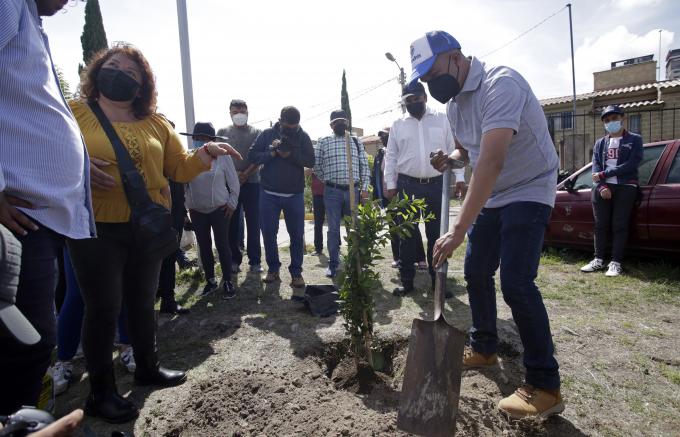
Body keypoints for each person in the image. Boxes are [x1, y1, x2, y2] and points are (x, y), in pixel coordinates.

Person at [66, 44, 241, 423]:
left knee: (143, 302)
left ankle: (147, 367)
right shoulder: (73, 113)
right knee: (103, 307)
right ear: (97, 73)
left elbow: (178, 168)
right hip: (95, 226)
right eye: (114, 67)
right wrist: (75, 164)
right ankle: (102, 392)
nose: (122, 75)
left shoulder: (155, 122)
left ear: (142, 84)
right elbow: (46, 154)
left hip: (147, 226)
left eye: (132, 73)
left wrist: (206, 152)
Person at [414, 30, 563, 418]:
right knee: (477, 272)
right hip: (495, 193)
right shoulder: (455, 106)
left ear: (455, 56)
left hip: (530, 185)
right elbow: (469, 149)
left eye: (433, 73)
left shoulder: (502, 83)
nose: (431, 84)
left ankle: (545, 385)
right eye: (425, 79)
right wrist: (450, 157)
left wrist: (458, 229)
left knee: (516, 281)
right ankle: (484, 347)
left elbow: (492, 160)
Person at [0, 0, 97, 415]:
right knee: (23, 346)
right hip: (19, 220)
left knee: (35, 340)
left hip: (40, 217)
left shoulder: (28, 18)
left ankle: (33, 421)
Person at [384, 82, 455, 296]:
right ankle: (407, 283)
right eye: (409, 100)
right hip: (407, 185)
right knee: (407, 236)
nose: (414, 103)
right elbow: (392, 156)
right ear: (404, 102)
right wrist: (390, 184)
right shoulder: (398, 124)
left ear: (425, 96)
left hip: (436, 185)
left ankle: (438, 283)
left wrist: (459, 178)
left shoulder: (442, 119)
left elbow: (452, 150)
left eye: (417, 98)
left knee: (436, 236)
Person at [51, 249, 135, 396]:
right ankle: (63, 361)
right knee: (76, 294)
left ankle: (127, 346)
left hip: (115, 229)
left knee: (120, 284)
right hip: (78, 233)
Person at [248, 106, 315, 288]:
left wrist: (290, 154)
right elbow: (252, 155)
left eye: (295, 127)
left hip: (295, 194)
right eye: (288, 126)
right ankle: (273, 269)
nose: (292, 129)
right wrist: (272, 153)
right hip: (268, 194)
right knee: (269, 233)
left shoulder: (303, 135)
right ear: (280, 120)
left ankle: (296, 273)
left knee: (297, 235)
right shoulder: (267, 134)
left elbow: (311, 161)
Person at [580, 105, 642, 277]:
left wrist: (604, 174)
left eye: (614, 118)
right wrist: (602, 185)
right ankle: (598, 260)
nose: (611, 122)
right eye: (607, 120)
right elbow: (596, 168)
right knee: (600, 225)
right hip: (602, 189)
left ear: (623, 118)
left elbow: (631, 165)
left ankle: (615, 263)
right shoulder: (600, 143)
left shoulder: (635, 140)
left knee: (619, 225)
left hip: (625, 187)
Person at [183, 122, 240, 299]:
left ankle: (228, 281)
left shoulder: (223, 158)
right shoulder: (188, 157)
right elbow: (184, 185)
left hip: (220, 209)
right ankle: (210, 280)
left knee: (222, 244)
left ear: (212, 141)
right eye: (197, 138)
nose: (200, 142)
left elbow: (234, 183)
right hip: (197, 210)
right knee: (204, 245)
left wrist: (232, 203)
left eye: (204, 139)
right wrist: (187, 208)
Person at [314, 110, 370, 278]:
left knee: (353, 227)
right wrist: (329, 181)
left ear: (347, 123)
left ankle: (355, 262)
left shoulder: (355, 140)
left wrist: (365, 188)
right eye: (336, 122)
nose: (340, 124)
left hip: (353, 190)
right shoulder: (323, 142)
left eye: (343, 121)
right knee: (332, 229)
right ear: (331, 125)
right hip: (332, 191)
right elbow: (317, 166)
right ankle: (333, 264)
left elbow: (363, 165)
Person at [217, 99, 263, 274]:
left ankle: (255, 261)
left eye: (242, 111)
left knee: (253, 223)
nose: (239, 115)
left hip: (252, 183)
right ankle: (234, 260)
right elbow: (219, 157)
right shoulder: (222, 132)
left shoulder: (256, 132)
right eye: (236, 112)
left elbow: (259, 157)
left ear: (248, 112)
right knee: (232, 224)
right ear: (229, 113)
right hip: (229, 185)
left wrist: (246, 174)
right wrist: (234, 175)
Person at [372, 128, 427, 269]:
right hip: (386, 198)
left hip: (403, 195)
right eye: (381, 137)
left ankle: (420, 258)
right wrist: (376, 198)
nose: (383, 139)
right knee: (393, 229)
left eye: (385, 136)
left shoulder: (401, 152)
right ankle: (397, 258)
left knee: (410, 226)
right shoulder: (379, 155)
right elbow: (376, 177)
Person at [309, 170, 325, 256]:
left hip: (331, 194)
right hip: (317, 195)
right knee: (318, 223)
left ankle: (337, 248)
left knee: (333, 223)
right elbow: (306, 171)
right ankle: (318, 249)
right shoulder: (314, 159)